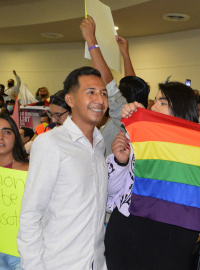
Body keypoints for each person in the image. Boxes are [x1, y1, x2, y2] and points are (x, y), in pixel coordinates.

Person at [17, 66, 109, 270]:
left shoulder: (99, 145)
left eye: (103, 93)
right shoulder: (51, 143)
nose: (100, 99)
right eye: (91, 92)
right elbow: (31, 214)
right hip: (59, 263)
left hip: (96, 262)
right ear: (70, 100)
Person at [105, 82, 199, 270]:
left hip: (171, 236)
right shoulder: (137, 137)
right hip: (128, 230)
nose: (154, 107)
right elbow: (110, 189)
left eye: (162, 103)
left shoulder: (198, 149)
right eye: (154, 101)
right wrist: (121, 162)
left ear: (181, 108)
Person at [80, 15, 149, 156]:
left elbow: (109, 86)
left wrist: (91, 41)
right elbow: (131, 83)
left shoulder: (125, 118)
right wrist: (125, 54)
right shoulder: (137, 115)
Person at [0, 113, 29, 270]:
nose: (1, 137)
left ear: (16, 137)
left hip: (21, 251)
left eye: (7, 131)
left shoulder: (31, 171)